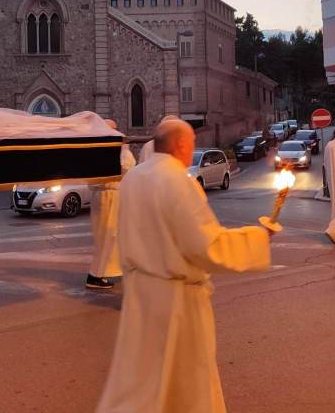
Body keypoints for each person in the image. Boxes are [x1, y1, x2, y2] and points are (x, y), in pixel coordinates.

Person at [96, 119, 272, 412]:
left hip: (140, 296)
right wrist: (259, 238)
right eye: (191, 144)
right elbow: (206, 247)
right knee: (186, 385)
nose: (193, 151)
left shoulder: (134, 178)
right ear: (180, 145)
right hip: (176, 303)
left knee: (141, 383)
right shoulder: (178, 181)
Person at [86, 120, 136, 289]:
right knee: (107, 235)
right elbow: (125, 168)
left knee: (109, 236)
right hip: (108, 195)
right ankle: (97, 275)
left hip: (108, 195)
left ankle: (104, 272)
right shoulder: (109, 150)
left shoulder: (100, 149)